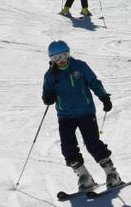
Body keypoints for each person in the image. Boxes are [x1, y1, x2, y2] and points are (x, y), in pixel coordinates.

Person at [42, 40, 122, 190]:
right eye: (56, 58)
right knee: (68, 147)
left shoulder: (80, 66)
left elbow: (93, 82)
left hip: (86, 112)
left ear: (68, 53)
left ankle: (112, 173)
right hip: (65, 116)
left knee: (92, 143)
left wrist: (104, 97)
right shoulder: (50, 75)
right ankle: (84, 176)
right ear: (51, 59)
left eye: (64, 55)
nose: (61, 61)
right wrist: (48, 98)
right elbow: (46, 94)